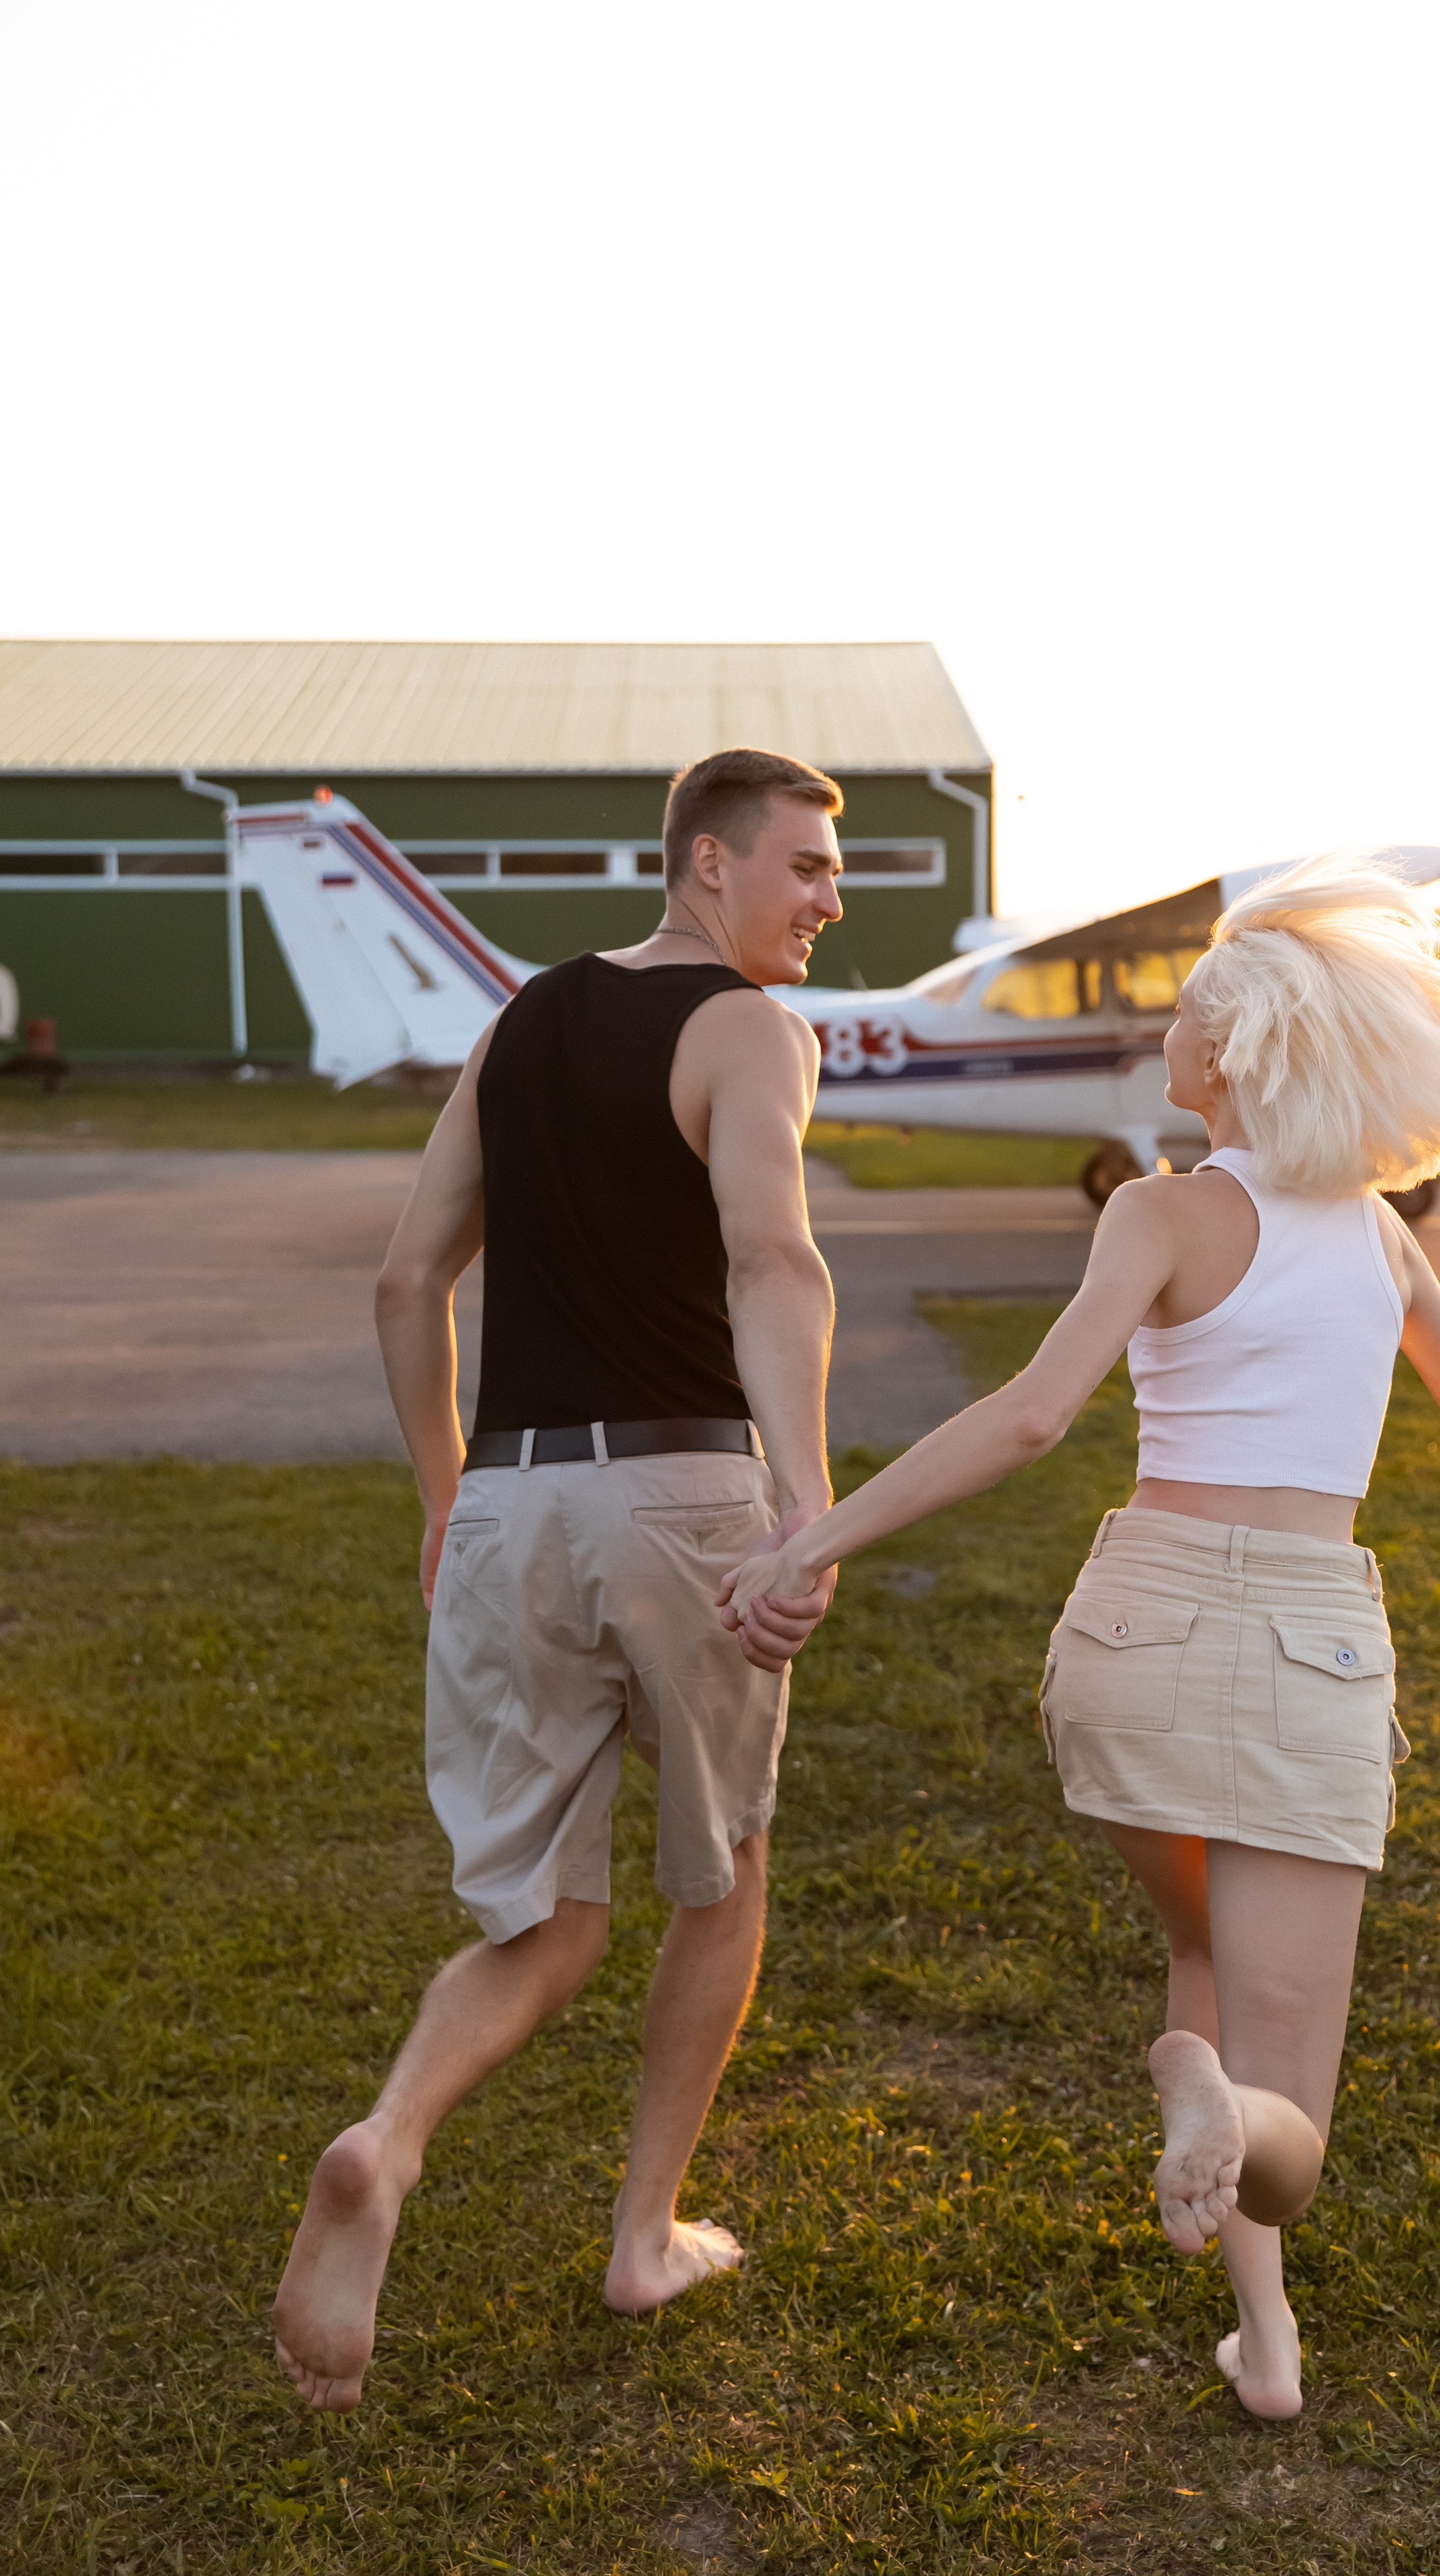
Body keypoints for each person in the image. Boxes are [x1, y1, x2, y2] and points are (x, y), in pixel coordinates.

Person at [720, 854, 1440, 2422]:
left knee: (1198, 1950)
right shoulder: (1383, 1242)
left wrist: (818, 1535)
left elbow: (1026, 1420)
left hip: (1128, 1631)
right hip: (1307, 1652)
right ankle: (1210, 2112)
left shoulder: (1155, 1212)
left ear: (1238, 1052)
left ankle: (1261, 2338)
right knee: (1291, 2120)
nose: (1162, 1041)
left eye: (1184, 1020)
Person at [273, 746, 845, 2413]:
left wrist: (445, 1498)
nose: (826, 897)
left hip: (516, 1503)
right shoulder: (748, 1028)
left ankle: (387, 2138)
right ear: (704, 865)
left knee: (543, 1917)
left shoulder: (521, 1019)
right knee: (720, 1871)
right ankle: (642, 2233)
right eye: (802, 865)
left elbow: (404, 1281)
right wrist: (802, 1508)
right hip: (683, 1494)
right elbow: (771, 1256)